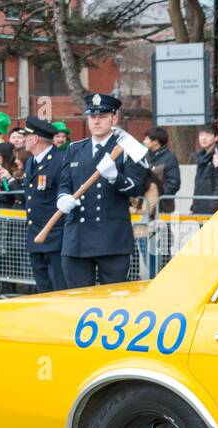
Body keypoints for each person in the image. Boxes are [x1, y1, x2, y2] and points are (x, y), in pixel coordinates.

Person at [53, 92, 147, 287]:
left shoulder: (126, 149)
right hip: (77, 237)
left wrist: (115, 177)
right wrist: (62, 198)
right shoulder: (75, 149)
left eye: (102, 116)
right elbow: (64, 184)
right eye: (92, 116)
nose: (96, 121)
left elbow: (137, 187)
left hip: (112, 237)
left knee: (113, 302)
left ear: (114, 118)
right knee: (78, 299)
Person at [20, 117, 69, 292]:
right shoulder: (31, 162)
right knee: (43, 289)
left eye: (26, 136)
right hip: (35, 234)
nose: (23, 140)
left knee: (59, 288)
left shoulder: (60, 160)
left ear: (35, 139)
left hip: (55, 235)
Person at [192, 123, 218, 214]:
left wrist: (212, 208)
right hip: (200, 208)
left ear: (216, 138)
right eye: (201, 135)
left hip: (212, 210)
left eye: (208, 135)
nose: (204, 138)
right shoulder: (201, 157)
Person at [142, 126, 182, 205]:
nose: (144, 141)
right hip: (144, 204)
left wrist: (158, 196)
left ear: (155, 142)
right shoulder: (144, 156)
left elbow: (173, 184)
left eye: (147, 139)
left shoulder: (170, 159)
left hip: (161, 206)